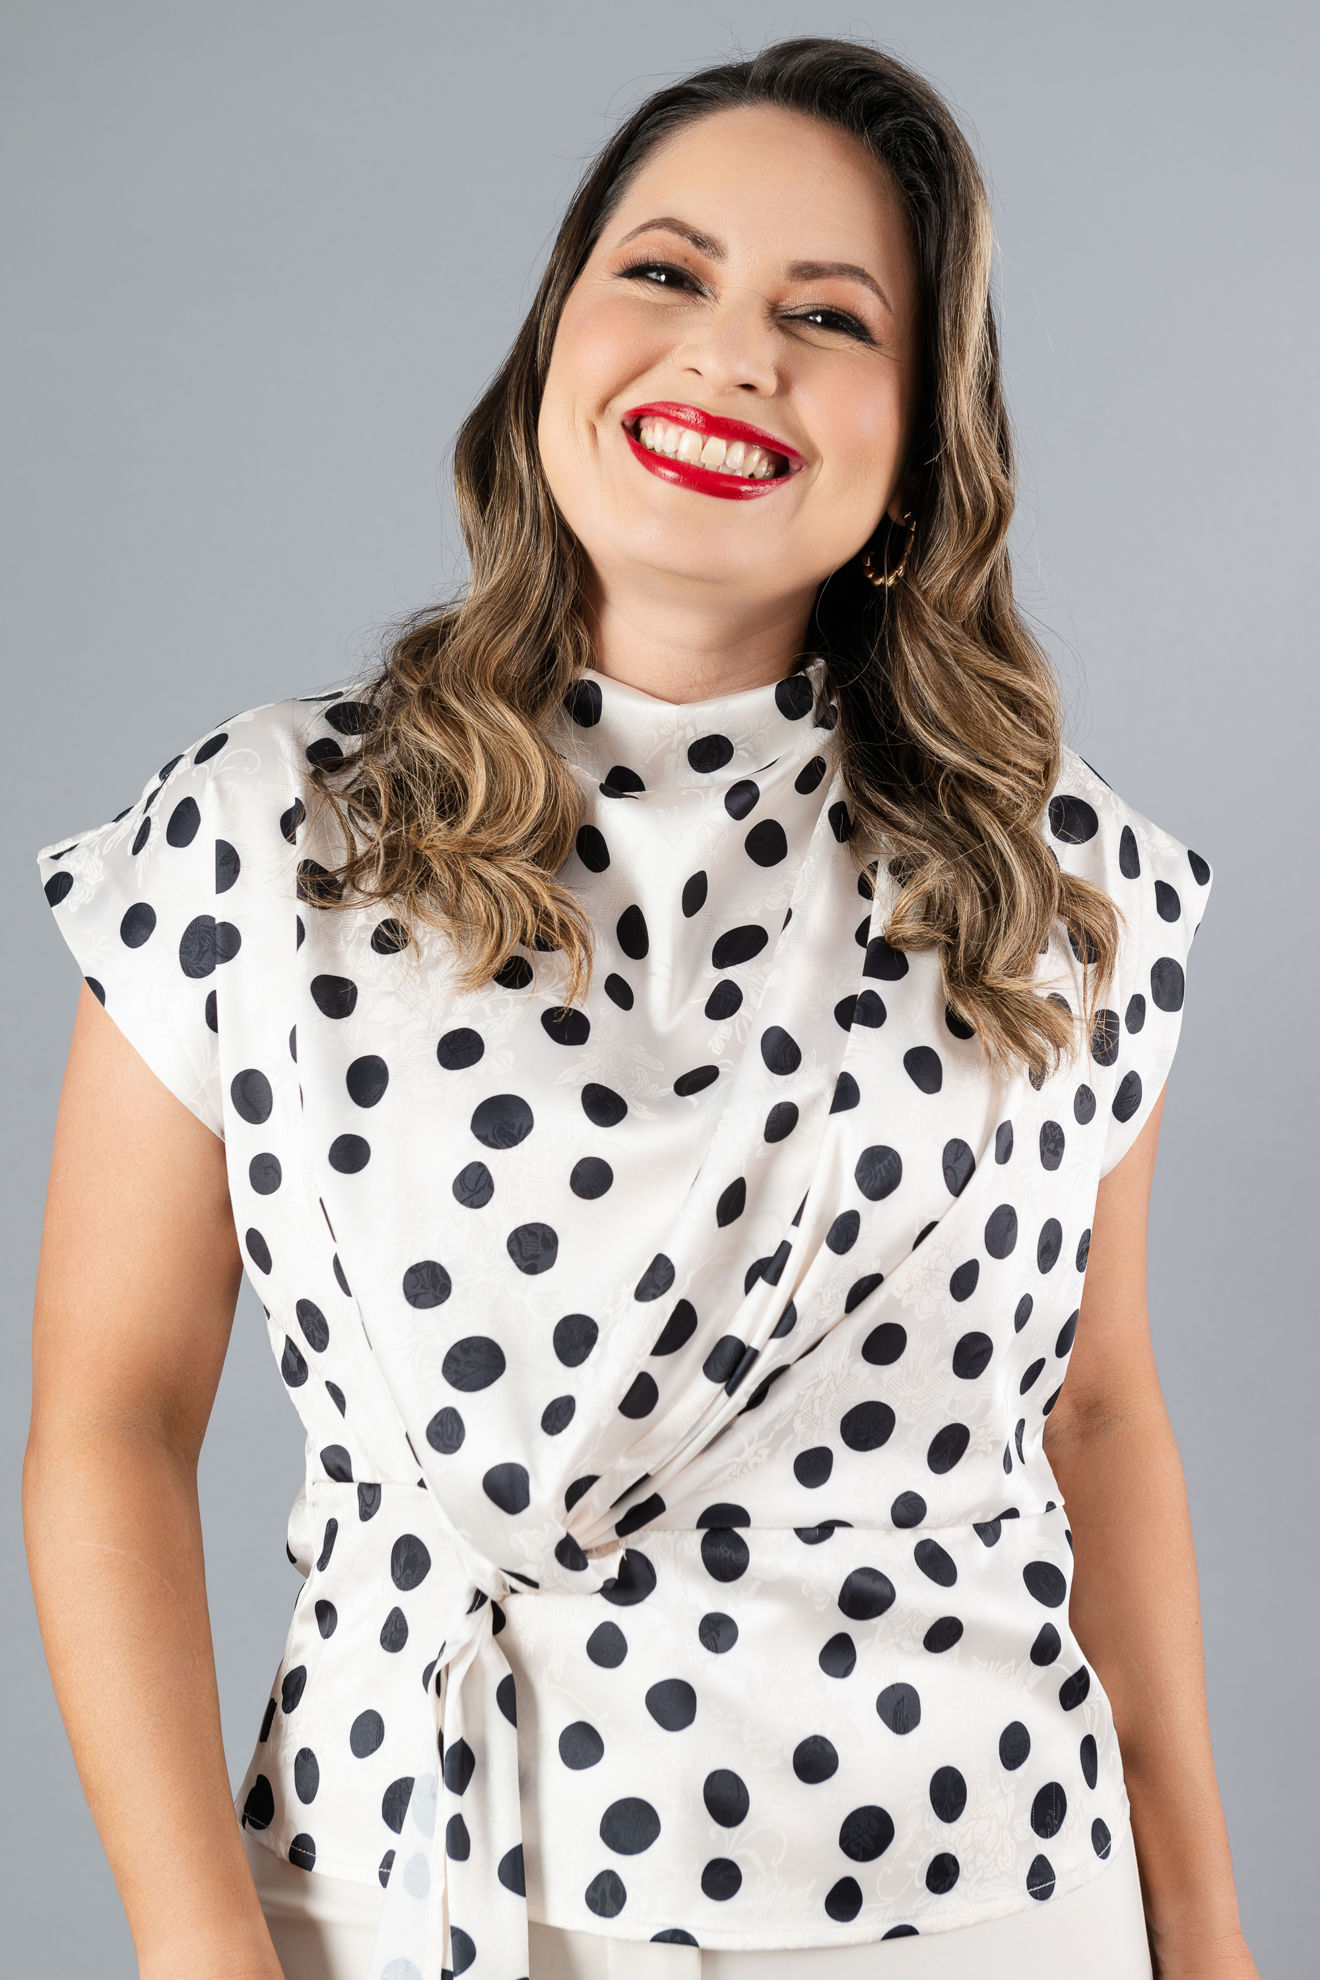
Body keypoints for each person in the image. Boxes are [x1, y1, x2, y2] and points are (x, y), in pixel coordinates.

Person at [24, 32, 1256, 1980]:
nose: (733, 353)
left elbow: (1100, 1415)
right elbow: (111, 1415)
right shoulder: (268, 833)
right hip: (401, 1890)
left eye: (827, 316)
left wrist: (1211, 1935)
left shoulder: (1064, 883)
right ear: (553, 347)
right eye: (665, 273)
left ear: (920, 445)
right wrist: (196, 1947)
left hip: (984, 1907)